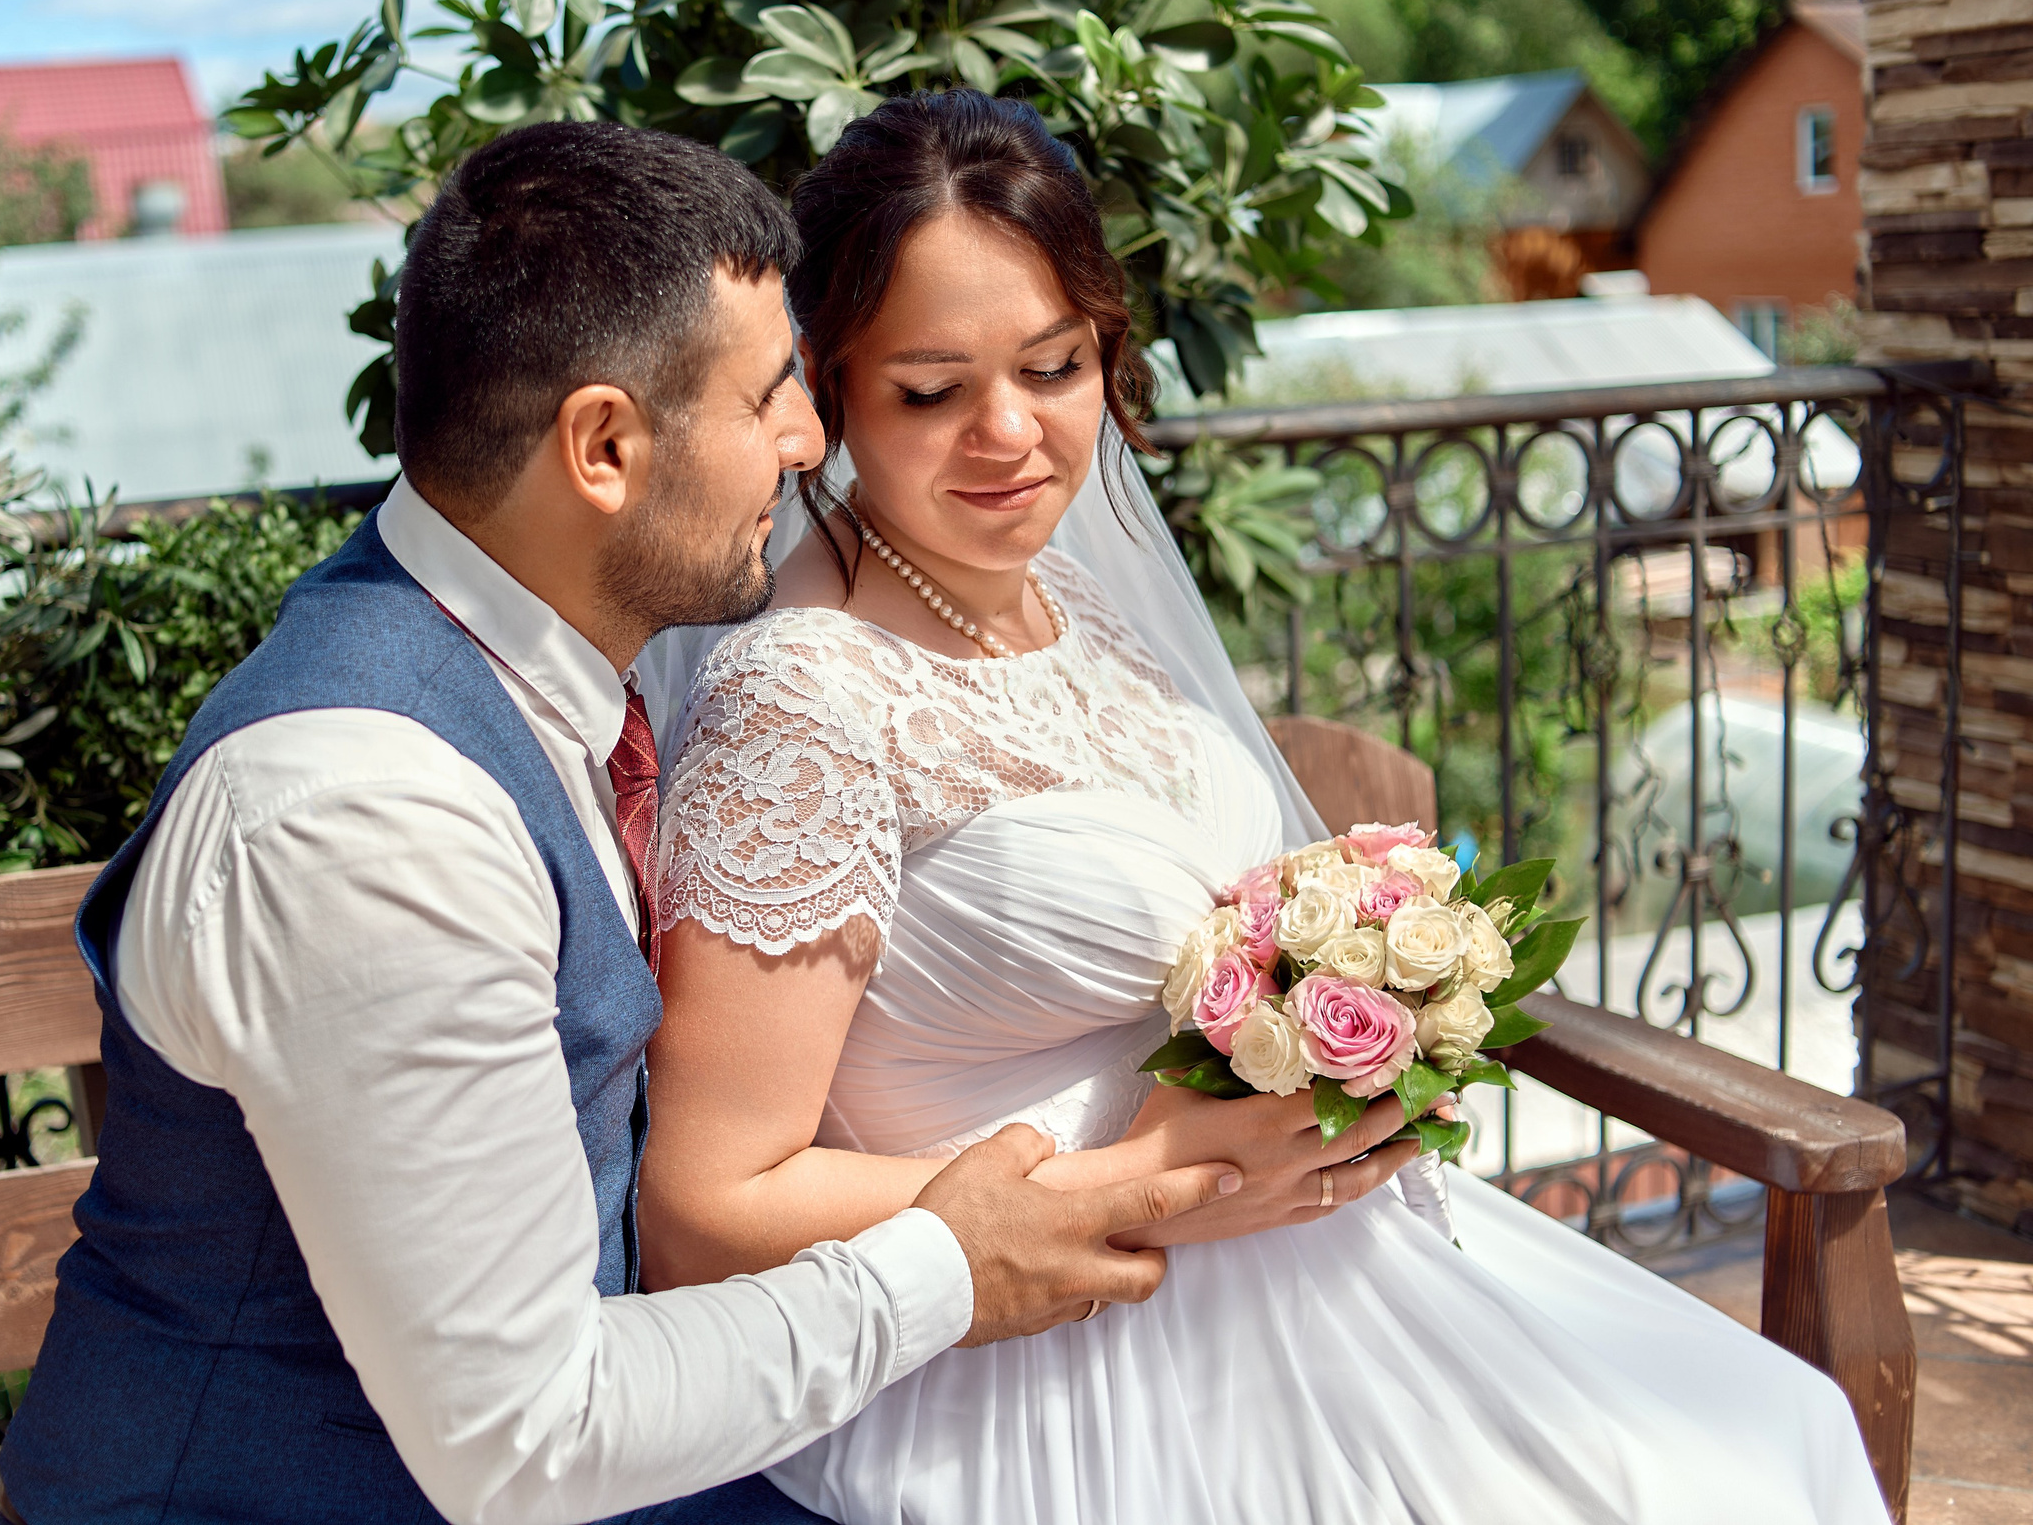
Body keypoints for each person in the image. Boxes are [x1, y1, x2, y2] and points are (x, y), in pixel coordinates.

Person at [639, 89, 1892, 1524]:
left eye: (1055, 366)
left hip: (1320, 1280)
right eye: (931, 389)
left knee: (1760, 1434)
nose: (1013, 434)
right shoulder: (800, 701)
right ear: (830, 387)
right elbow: (702, 1215)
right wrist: (1144, 1178)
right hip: (1059, 1363)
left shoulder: (1083, 606)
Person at [0, 118, 1256, 1525]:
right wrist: (951, 1266)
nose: (808, 437)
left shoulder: (538, 681)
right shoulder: (361, 818)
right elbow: (525, 1440)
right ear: (603, 445)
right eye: (770, 391)